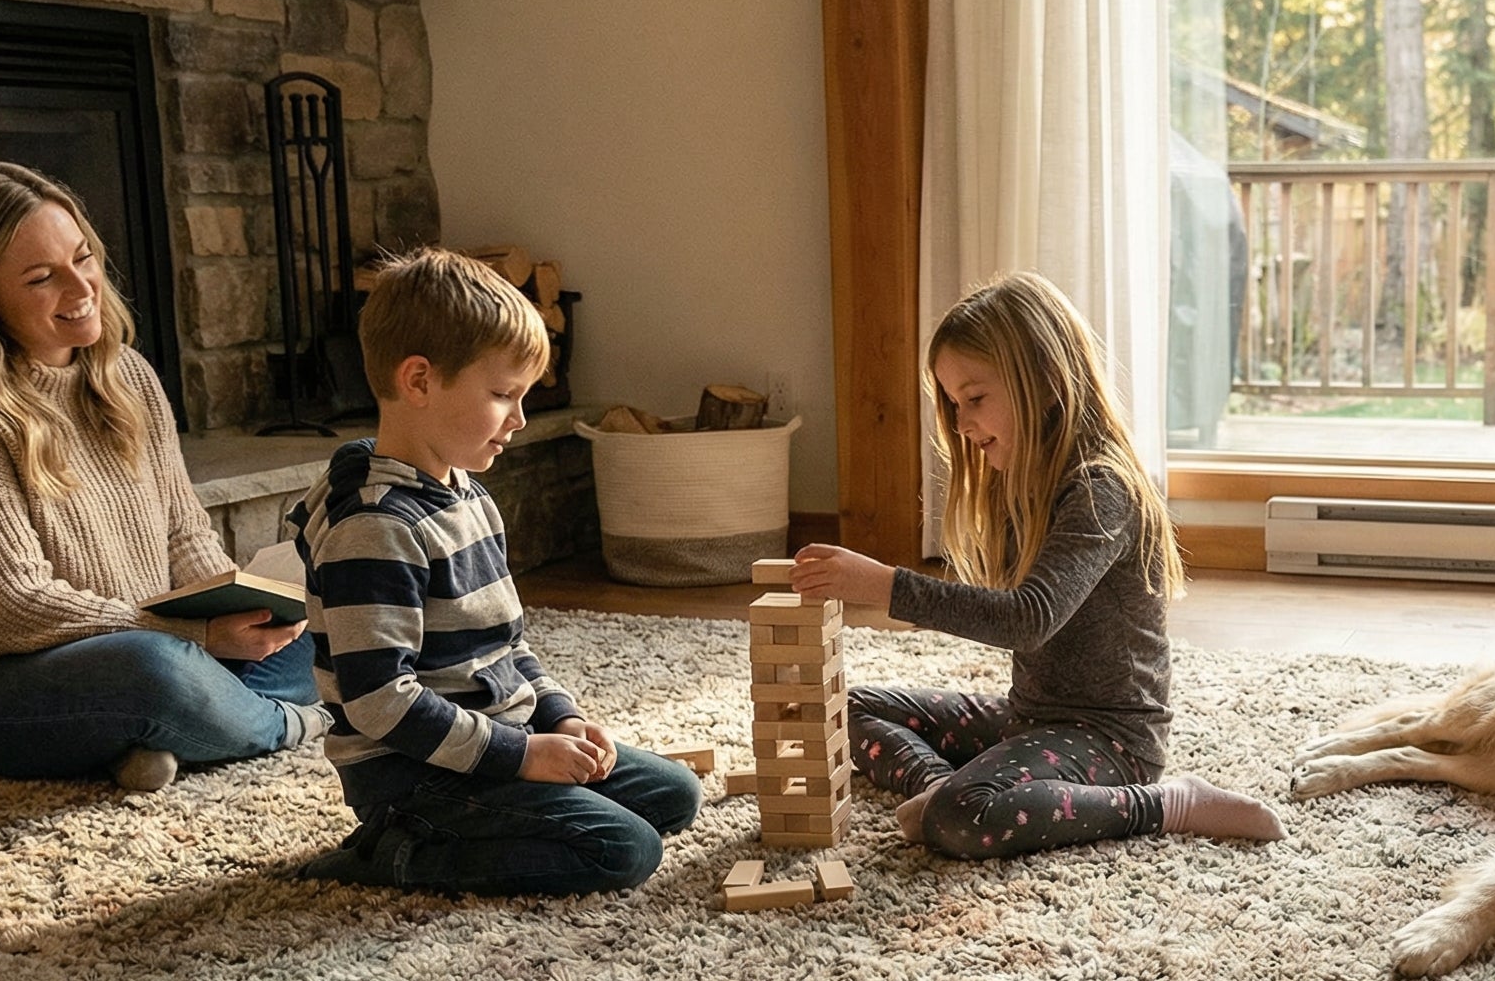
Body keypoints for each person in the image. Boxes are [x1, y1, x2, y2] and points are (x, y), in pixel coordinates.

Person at [791, 271, 1284, 860]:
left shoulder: (1101, 488)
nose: (961, 424)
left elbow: (1028, 619)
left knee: (965, 818)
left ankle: (1168, 803)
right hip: (1030, 718)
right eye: (954, 404)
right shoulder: (1022, 478)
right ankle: (940, 787)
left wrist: (883, 585)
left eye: (975, 399)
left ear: (1046, 381)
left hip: (1111, 741)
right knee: (846, 708)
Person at [0, 161, 323, 792]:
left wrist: (245, 610)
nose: (81, 286)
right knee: (155, 673)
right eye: (42, 278)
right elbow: (18, 608)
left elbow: (183, 532)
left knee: (314, 621)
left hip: (147, 644)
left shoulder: (128, 374)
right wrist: (195, 636)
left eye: (83, 258)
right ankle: (288, 723)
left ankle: (152, 736)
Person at [292, 248, 697, 894]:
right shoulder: (375, 528)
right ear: (419, 381)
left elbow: (506, 646)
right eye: (504, 395)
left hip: (498, 736)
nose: (520, 419)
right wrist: (523, 756)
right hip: (415, 775)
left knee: (674, 794)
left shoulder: (468, 495)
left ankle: (510, 803)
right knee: (625, 849)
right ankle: (392, 853)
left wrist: (559, 719)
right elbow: (378, 702)